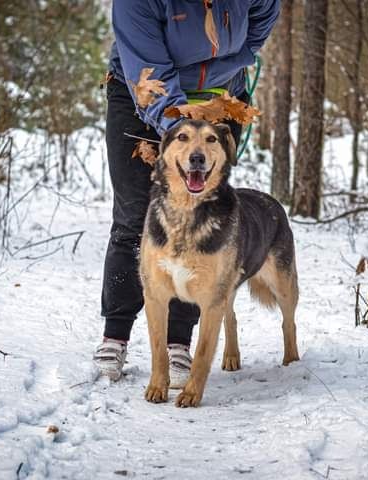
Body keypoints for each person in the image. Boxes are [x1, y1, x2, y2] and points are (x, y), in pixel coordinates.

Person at [94, 0, 280, 385]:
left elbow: (260, 22)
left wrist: (222, 70)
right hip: (143, 95)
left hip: (219, 98)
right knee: (135, 218)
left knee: (202, 221)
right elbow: (149, 68)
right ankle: (115, 334)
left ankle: (179, 341)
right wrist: (181, 131)